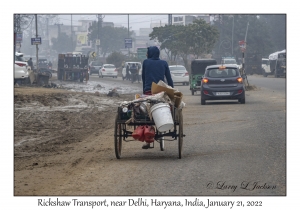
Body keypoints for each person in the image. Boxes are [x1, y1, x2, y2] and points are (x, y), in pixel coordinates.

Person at [141, 46, 174, 149]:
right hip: (161, 93)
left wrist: (145, 91)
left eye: (147, 52)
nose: (146, 54)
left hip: (148, 92)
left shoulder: (145, 62)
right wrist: (171, 91)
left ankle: (148, 140)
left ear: (150, 53)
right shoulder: (164, 63)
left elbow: (143, 78)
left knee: (147, 114)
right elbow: (169, 79)